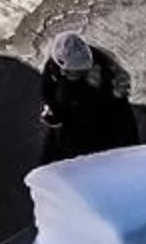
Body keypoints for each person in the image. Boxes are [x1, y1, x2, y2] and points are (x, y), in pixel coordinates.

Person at [40, 32, 140, 161]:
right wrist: (54, 111)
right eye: (72, 72)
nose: (73, 75)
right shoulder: (54, 69)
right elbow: (47, 90)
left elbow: (118, 111)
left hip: (103, 112)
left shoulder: (106, 71)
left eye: (79, 72)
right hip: (75, 115)